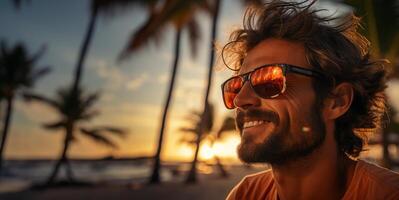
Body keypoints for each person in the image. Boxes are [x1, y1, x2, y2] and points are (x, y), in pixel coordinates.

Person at [220, 0, 399, 199]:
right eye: (235, 87)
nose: (240, 100)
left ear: (336, 101)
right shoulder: (245, 194)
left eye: (269, 79)